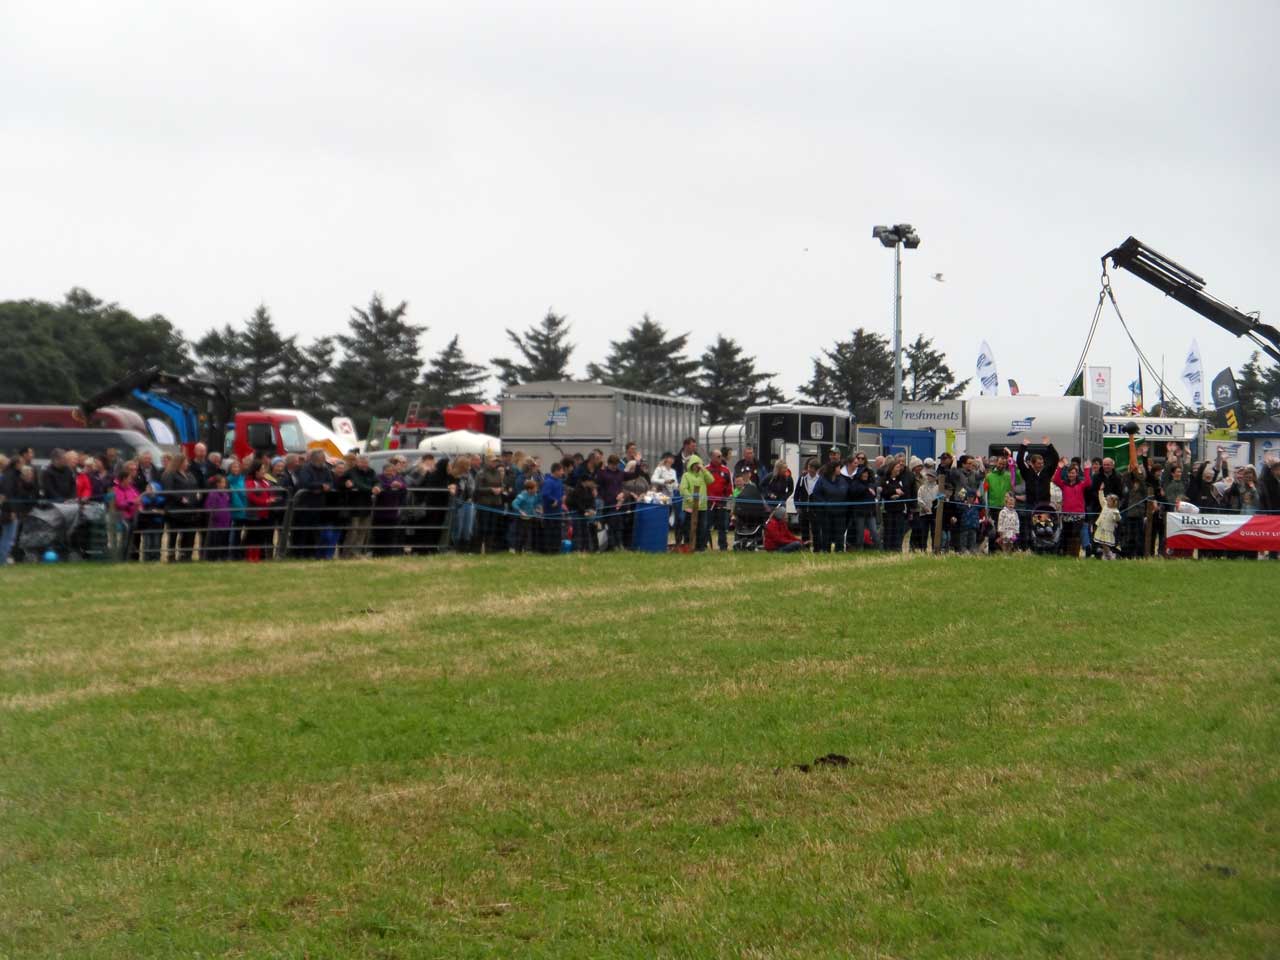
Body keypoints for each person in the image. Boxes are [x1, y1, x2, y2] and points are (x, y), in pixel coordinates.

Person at [294, 450, 334, 558]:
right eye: (321, 459)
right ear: (314, 459)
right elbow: (305, 483)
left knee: (315, 530)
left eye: (323, 459)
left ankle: (312, 553)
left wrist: (327, 486)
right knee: (303, 531)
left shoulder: (325, 469)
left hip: (319, 504)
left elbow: (330, 481)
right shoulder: (306, 469)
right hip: (306, 505)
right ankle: (300, 554)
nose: (323, 462)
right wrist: (321, 486)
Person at [161, 454, 199, 562]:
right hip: (175, 509)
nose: (188, 463)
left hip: (190, 509)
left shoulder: (189, 474)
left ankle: (185, 555)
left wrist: (197, 495)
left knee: (188, 533)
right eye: (186, 461)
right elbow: (168, 490)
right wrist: (180, 498)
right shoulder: (169, 474)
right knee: (173, 534)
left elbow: (194, 486)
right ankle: (171, 556)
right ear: (180, 462)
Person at [242, 459, 276, 562]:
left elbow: (271, 492)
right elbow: (251, 496)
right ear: (256, 471)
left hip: (265, 514)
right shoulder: (250, 482)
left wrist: (272, 499)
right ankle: (250, 557)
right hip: (254, 514)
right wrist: (265, 501)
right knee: (252, 537)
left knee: (261, 537)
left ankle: (259, 557)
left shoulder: (266, 481)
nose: (264, 471)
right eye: (262, 469)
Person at [372, 459, 408, 555]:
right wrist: (390, 486)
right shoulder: (379, 477)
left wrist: (400, 486)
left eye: (392, 471)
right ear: (383, 471)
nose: (390, 473)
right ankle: (378, 553)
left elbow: (404, 487)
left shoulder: (398, 478)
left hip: (393, 513)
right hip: (380, 513)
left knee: (392, 535)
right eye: (387, 471)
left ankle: (389, 553)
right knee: (379, 535)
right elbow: (380, 485)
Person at [1053, 459, 1087, 557]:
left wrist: (1087, 469)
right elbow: (1055, 480)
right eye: (1070, 473)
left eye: (1073, 473)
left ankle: (1074, 553)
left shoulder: (1081, 484)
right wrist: (1059, 467)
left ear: (1076, 474)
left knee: (1075, 534)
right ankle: (1064, 552)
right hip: (1067, 514)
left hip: (1078, 514)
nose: (1071, 475)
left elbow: (1088, 482)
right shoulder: (1064, 484)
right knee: (1066, 533)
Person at [474, 453, 506, 553]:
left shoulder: (497, 473)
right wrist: (491, 489)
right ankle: (477, 549)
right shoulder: (481, 473)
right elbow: (478, 489)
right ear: (487, 461)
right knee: (483, 527)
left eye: (496, 461)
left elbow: (502, 485)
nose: (495, 463)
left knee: (492, 527)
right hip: (484, 504)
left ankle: (489, 549)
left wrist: (500, 489)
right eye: (493, 461)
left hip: (496, 503)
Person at [814, 460, 849, 553]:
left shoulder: (842, 480)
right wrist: (824, 503)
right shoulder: (822, 480)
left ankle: (839, 549)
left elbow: (847, 492)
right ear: (833, 469)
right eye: (838, 468)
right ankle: (826, 549)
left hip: (840, 511)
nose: (840, 470)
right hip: (826, 511)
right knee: (826, 532)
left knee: (840, 532)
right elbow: (816, 493)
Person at [112, 461, 142, 561]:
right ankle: (121, 557)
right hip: (122, 518)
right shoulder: (116, 490)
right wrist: (132, 502)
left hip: (132, 517)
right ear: (124, 479)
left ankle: (128, 557)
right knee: (123, 539)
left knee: (130, 540)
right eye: (129, 478)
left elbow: (139, 499)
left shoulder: (132, 489)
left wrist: (140, 504)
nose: (130, 480)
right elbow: (119, 503)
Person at [880, 460, 913, 553]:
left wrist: (898, 494)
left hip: (899, 509)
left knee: (898, 530)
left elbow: (905, 491)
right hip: (888, 510)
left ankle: (897, 549)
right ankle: (887, 549)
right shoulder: (885, 480)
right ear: (892, 468)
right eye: (897, 467)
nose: (899, 469)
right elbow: (884, 491)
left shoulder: (901, 479)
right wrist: (894, 491)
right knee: (889, 530)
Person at [679, 454, 710, 550]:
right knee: (688, 527)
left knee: (702, 527)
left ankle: (700, 547)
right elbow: (683, 489)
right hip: (689, 506)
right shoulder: (686, 475)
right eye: (696, 464)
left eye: (699, 463)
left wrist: (704, 469)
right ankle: (688, 546)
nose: (697, 465)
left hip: (702, 506)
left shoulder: (703, 475)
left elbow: (711, 480)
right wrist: (692, 500)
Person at [704, 450, 733, 551]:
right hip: (709, 502)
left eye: (721, 456)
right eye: (718, 456)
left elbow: (730, 487)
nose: (721, 458)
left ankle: (723, 546)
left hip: (722, 503)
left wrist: (726, 498)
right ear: (712, 457)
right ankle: (703, 545)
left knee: (723, 527)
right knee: (706, 526)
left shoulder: (726, 470)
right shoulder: (705, 469)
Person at [846, 463, 879, 551]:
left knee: (874, 531)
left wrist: (868, 489)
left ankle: (879, 549)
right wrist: (866, 489)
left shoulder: (871, 484)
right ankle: (859, 550)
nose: (865, 475)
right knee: (860, 533)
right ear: (860, 474)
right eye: (863, 473)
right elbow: (853, 492)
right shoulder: (855, 483)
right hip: (859, 513)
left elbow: (874, 495)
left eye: (867, 473)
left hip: (870, 513)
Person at [538, 460, 566, 553]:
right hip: (550, 512)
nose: (563, 473)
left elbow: (562, 492)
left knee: (557, 531)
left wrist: (562, 498)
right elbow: (545, 494)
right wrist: (553, 500)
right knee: (549, 531)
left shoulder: (559, 481)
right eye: (561, 470)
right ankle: (548, 550)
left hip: (558, 511)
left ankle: (556, 549)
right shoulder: (549, 482)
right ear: (556, 471)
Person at [203, 475, 233, 561]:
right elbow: (208, 507)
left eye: (225, 482)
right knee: (216, 540)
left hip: (225, 522)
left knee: (224, 540)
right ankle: (214, 557)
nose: (224, 484)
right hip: (217, 523)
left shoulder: (226, 494)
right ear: (217, 484)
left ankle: (222, 556)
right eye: (223, 482)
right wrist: (215, 515)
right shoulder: (213, 494)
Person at [793, 458, 821, 551]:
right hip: (803, 509)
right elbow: (796, 494)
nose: (810, 469)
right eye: (809, 467)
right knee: (804, 531)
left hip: (815, 510)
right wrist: (797, 506)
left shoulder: (820, 480)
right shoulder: (802, 479)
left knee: (816, 530)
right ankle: (805, 548)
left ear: (816, 470)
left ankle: (817, 549)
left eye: (812, 468)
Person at [511, 479, 541, 553]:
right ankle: (517, 550)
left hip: (529, 517)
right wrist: (520, 511)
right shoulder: (522, 496)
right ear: (530, 489)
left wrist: (538, 510)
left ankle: (526, 549)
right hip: (521, 518)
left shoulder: (535, 495)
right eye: (535, 488)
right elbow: (514, 504)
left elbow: (535, 505)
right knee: (521, 534)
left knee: (527, 534)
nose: (536, 489)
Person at [1095, 493, 1121, 559]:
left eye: (1109, 501)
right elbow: (1101, 499)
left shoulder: (1115, 511)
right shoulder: (1105, 506)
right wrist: (1101, 491)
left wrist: (1117, 514)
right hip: (1101, 528)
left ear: (1114, 502)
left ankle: (1109, 555)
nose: (1107, 502)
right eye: (1107, 500)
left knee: (1105, 543)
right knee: (1103, 543)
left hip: (1108, 530)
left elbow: (1118, 519)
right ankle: (1106, 555)